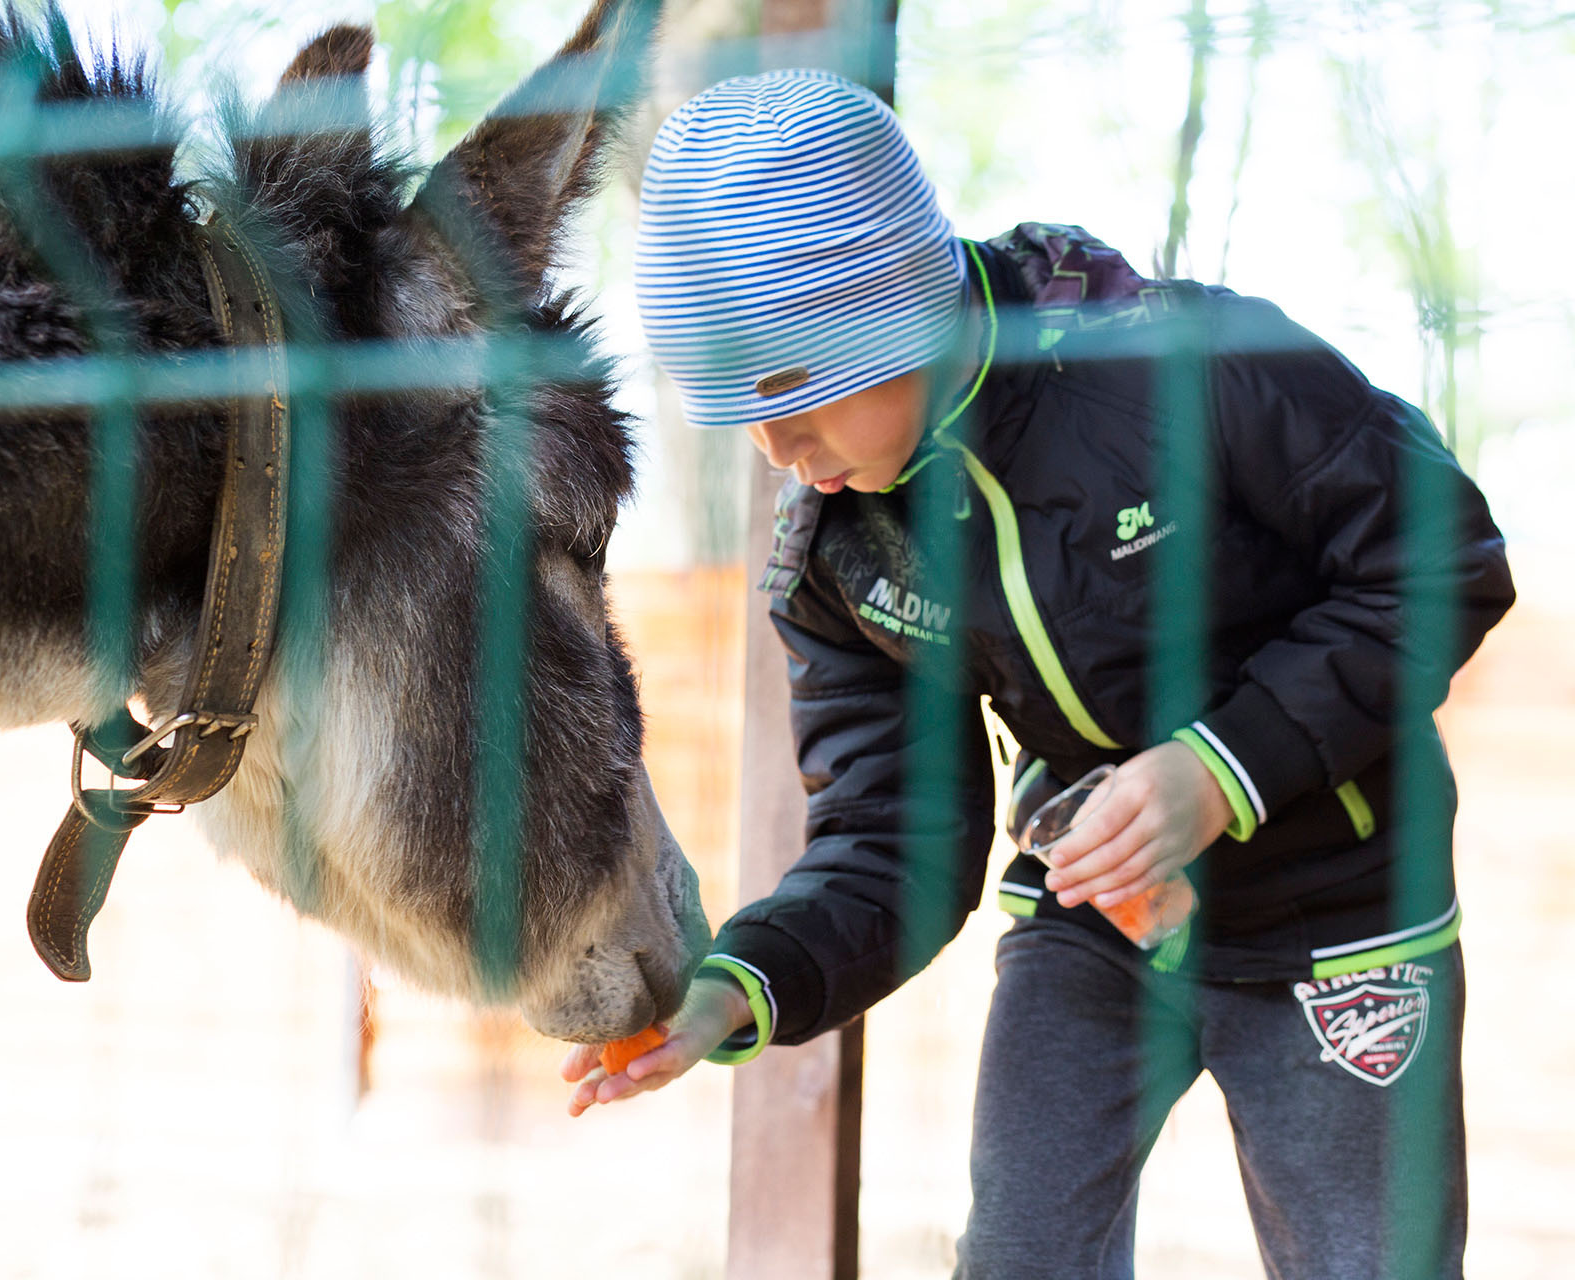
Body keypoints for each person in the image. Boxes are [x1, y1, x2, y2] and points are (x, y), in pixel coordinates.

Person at [560, 68, 1514, 1278]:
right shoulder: (839, 552)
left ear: (889, 306)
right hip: (1093, 919)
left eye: (794, 398)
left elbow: (1442, 559)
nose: (777, 454)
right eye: (737, 419)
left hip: (1343, 918)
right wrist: (741, 988)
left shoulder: (1185, 362)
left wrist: (1220, 772)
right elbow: (890, 835)